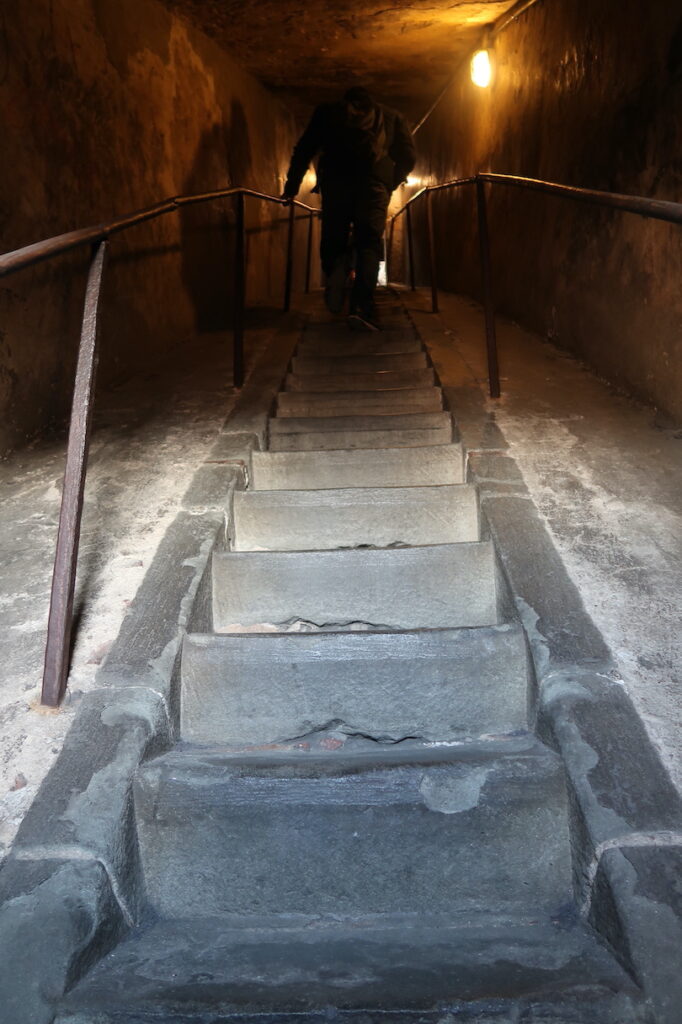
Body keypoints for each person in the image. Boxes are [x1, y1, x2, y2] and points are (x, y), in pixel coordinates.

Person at [282, 86, 416, 330]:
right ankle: (361, 307)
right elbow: (408, 157)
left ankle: (335, 267)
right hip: (373, 188)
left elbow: (305, 149)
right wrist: (389, 182)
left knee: (334, 235)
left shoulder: (326, 113)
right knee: (369, 243)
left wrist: (292, 187)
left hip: (336, 184)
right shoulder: (391, 117)